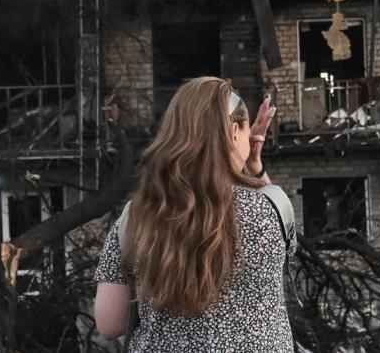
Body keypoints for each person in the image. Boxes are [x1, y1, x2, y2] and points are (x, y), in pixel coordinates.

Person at [93, 76, 295, 352]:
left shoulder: (137, 216)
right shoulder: (272, 206)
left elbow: (109, 324)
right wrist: (254, 167)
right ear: (234, 132)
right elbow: (285, 240)